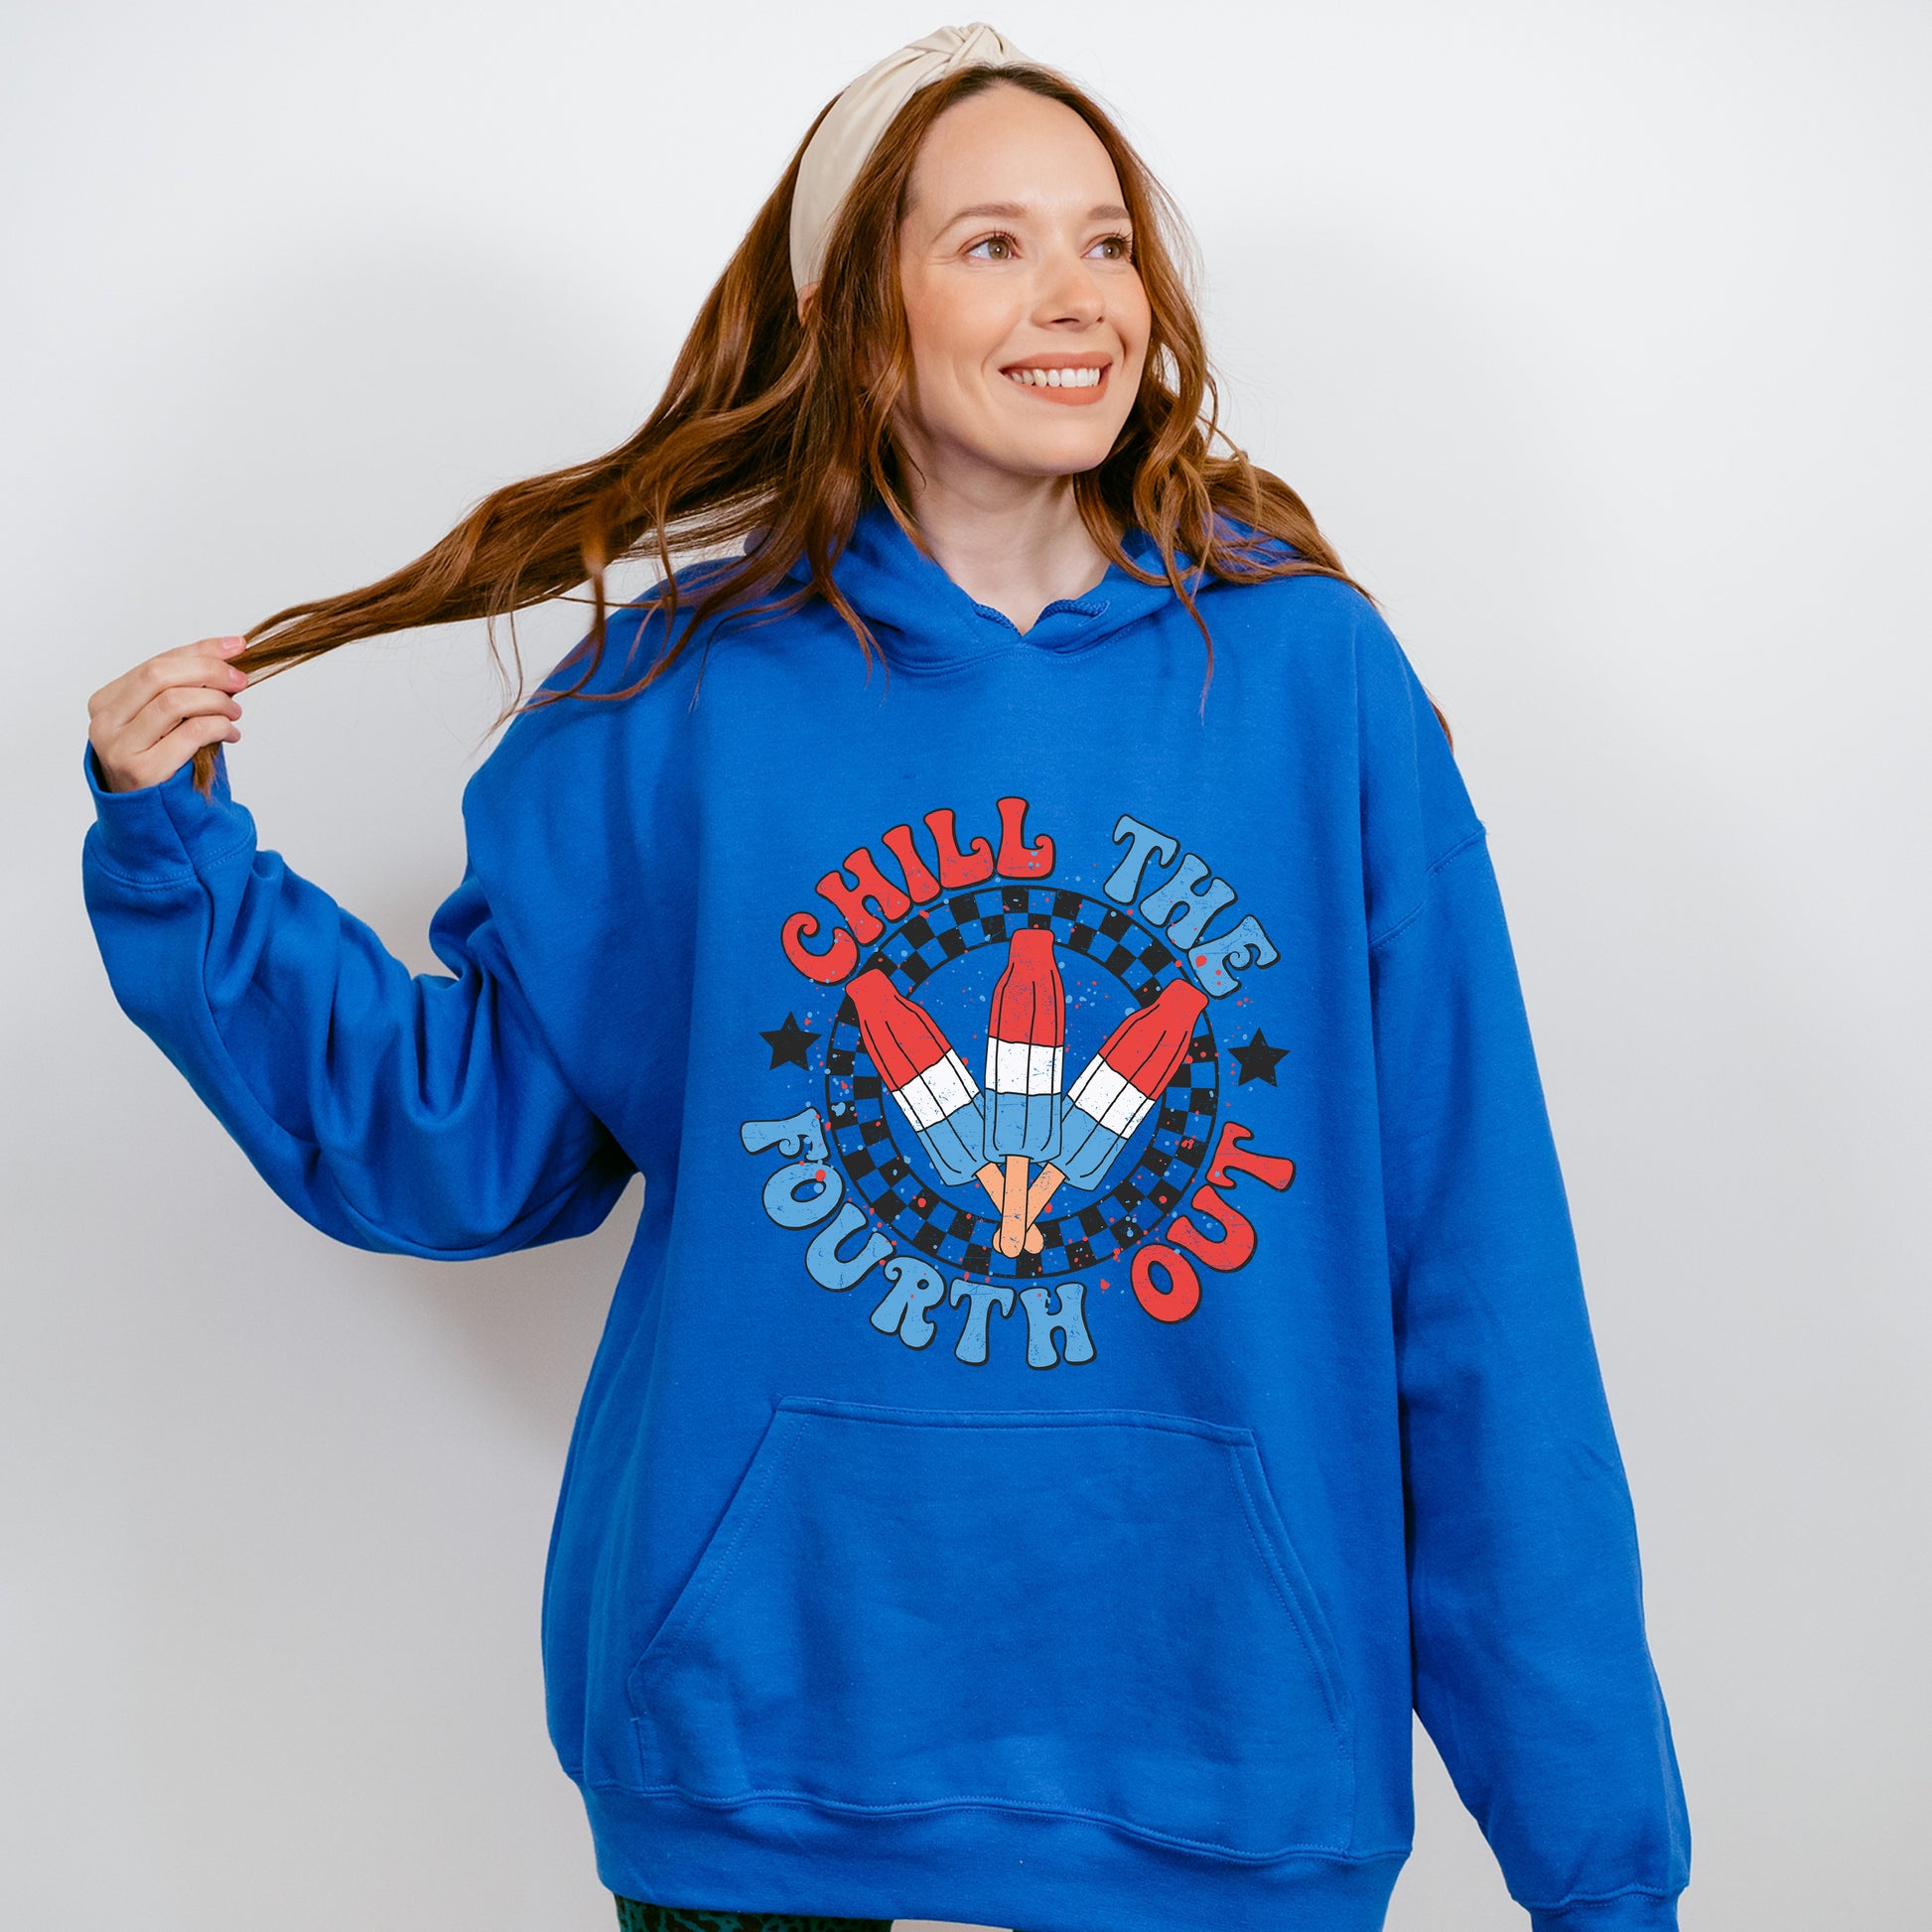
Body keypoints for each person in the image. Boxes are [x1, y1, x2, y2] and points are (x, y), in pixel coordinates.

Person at [79, 22, 1691, 1932]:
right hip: (759, 1734)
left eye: (1106, 242)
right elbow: (463, 1145)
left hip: (1218, 1740)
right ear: (857, 313)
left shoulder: (1306, 680)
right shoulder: (677, 698)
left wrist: (1599, 1864)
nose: (1077, 296)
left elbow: (1474, 1268)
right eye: (993, 244)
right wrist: (185, 866)